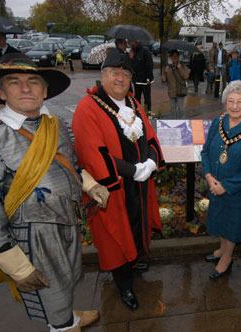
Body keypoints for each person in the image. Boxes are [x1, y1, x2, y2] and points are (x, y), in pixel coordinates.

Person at [0, 53, 99, 332]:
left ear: (45, 90)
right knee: (49, 289)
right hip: (32, 235)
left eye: (33, 82)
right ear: (0, 91)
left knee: (67, 279)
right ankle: (63, 326)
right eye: (14, 82)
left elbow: (70, 166)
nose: (26, 89)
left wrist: (91, 184)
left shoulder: (55, 124)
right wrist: (15, 265)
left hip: (67, 221)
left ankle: (68, 315)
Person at [72, 48, 165, 311]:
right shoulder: (87, 108)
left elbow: (148, 137)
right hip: (113, 189)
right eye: (114, 73)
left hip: (139, 184)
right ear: (103, 75)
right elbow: (92, 154)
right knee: (115, 237)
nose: (120, 79)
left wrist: (150, 160)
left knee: (137, 226)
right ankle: (124, 284)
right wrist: (133, 170)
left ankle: (134, 260)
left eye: (125, 74)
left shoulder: (135, 103)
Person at [202, 80, 241, 279]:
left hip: (238, 192)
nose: (234, 106)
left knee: (232, 226)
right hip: (215, 186)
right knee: (219, 221)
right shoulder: (218, 122)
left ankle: (227, 257)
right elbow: (205, 151)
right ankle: (222, 249)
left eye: (240, 102)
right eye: (231, 101)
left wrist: (226, 186)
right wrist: (208, 176)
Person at [162, 50, 190, 118]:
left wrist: (180, 68)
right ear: (171, 57)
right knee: (173, 109)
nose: (175, 58)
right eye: (173, 56)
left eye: (177, 56)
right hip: (171, 91)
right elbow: (164, 80)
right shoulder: (168, 67)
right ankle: (174, 122)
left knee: (181, 108)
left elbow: (186, 76)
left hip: (180, 90)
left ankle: (182, 122)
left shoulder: (182, 66)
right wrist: (165, 72)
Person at [129, 39, 154, 113]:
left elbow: (149, 65)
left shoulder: (145, 51)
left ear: (136, 41)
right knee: (137, 97)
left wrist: (148, 78)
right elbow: (132, 66)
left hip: (145, 79)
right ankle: (138, 112)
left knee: (147, 97)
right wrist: (130, 58)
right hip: (137, 79)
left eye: (131, 42)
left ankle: (148, 112)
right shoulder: (132, 52)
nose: (130, 44)